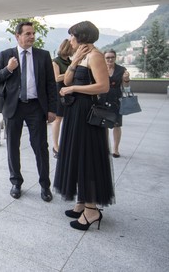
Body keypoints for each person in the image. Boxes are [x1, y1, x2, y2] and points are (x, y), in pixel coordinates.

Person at [54, 21, 114, 231]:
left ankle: (91, 211)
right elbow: (67, 80)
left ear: (81, 36)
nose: (70, 39)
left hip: (86, 114)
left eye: (72, 36)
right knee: (77, 155)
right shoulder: (81, 55)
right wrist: (75, 61)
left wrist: (74, 90)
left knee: (87, 158)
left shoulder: (96, 55)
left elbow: (103, 86)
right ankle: (82, 202)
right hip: (76, 113)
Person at [0, 21, 57, 202]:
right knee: (12, 146)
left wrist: (52, 109)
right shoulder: (6, 55)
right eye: (27, 33)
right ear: (17, 36)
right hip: (13, 107)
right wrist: (8, 69)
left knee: (40, 147)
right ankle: (16, 182)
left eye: (33, 33)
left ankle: (45, 185)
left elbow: (51, 84)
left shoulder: (43, 56)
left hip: (36, 107)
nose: (32, 36)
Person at [102, 49, 130, 158]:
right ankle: (105, 147)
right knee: (103, 125)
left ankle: (116, 149)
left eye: (112, 57)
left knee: (116, 125)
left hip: (116, 99)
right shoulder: (100, 68)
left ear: (115, 57)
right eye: (107, 57)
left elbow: (126, 88)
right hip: (102, 99)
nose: (110, 59)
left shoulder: (121, 70)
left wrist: (126, 80)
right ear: (104, 58)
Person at [51, 39, 74, 159]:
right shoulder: (56, 61)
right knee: (58, 119)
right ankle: (55, 146)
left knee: (67, 118)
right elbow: (56, 78)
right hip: (59, 92)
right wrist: (71, 73)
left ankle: (65, 145)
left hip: (70, 92)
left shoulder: (70, 61)